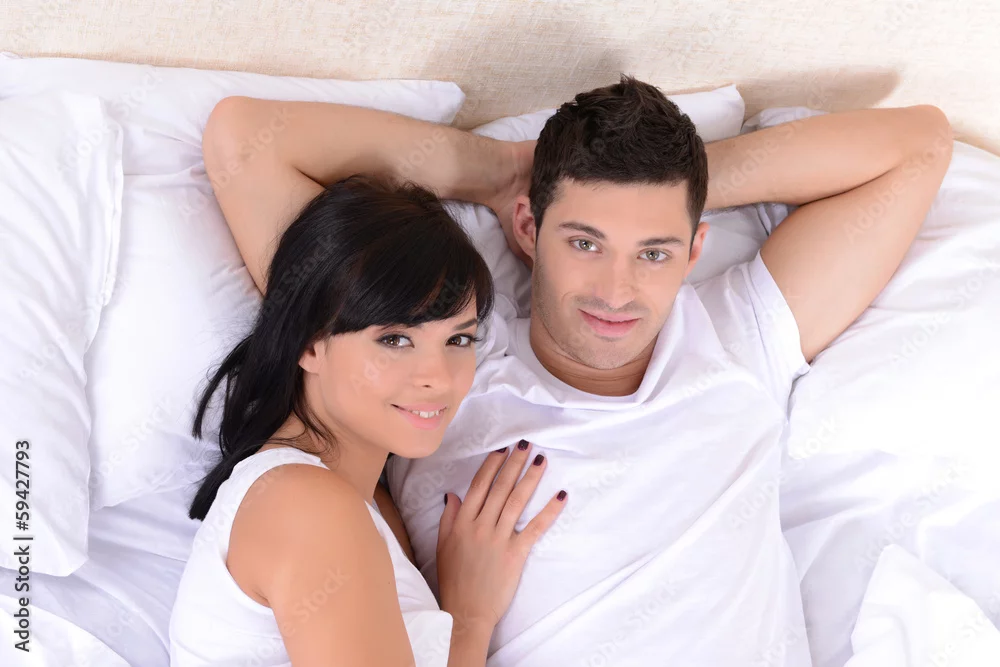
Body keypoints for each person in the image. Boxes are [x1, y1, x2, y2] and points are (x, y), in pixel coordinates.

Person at [191, 76, 953, 665]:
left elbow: (918, 145)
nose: (616, 292)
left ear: (693, 249)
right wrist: (500, 173)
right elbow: (247, 145)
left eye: (653, 251)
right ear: (528, 227)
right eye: (585, 241)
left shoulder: (735, 339)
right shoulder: (446, 379)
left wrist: (671, 190)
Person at [168, 168, 568, 662]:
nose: (438, 378)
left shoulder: (362, 502)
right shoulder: (307, 507)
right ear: (309, 343)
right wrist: (468, 617)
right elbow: (244, 145)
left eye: (458, 339)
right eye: (395, 340)